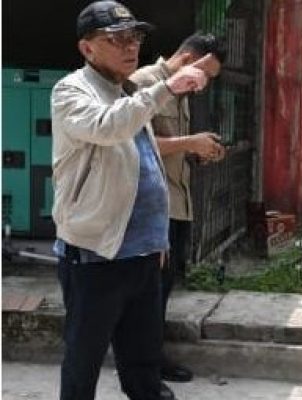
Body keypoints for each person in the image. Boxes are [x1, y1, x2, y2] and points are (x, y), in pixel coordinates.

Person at [50, 2, 208, 399]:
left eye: (134, 37)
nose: (131, 46)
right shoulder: (71, 91)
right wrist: (167, 87)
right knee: (83, 361)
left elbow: (147, 167)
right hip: (96, 255)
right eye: (116, 39)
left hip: (143, 255)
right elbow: (108, 127)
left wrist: (157, 239)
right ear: (87, 48)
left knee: (142, 362)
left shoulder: (130, 91)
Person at [129, 33, 226, 389]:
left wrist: (198, 152)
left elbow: (168, 149)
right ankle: (143, 367)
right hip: (151, 206)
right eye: (206, 74)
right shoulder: (143, 82)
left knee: (163, 287)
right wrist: (189, 142)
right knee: (148, 290)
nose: (204, 85)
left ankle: (152, 358)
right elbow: (130, 144)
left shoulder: (180, 93)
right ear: (187, 59)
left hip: (176, 203)